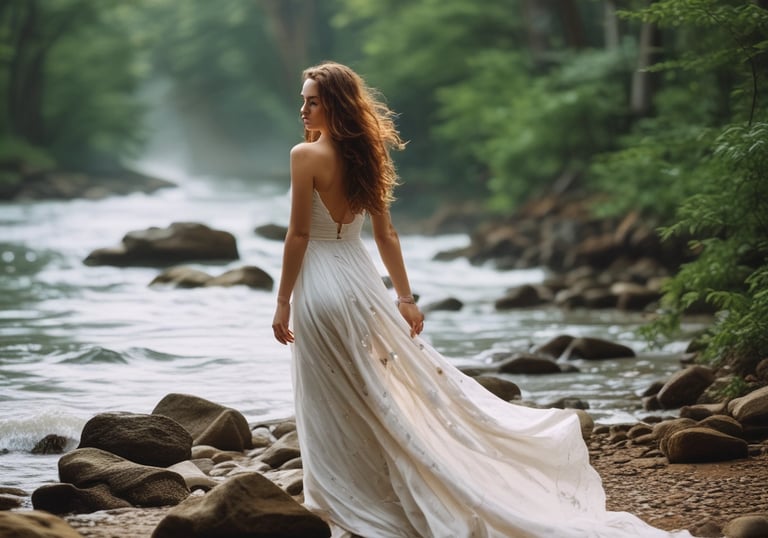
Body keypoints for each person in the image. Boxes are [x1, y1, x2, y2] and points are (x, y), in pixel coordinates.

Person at [272, 61, 693, 538]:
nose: (303, 108)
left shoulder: (305, 156)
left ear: (334, 105)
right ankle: (393, 485)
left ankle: (348, 501)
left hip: (321, 287)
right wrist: (405, 297)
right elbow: (386, 234)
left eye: (312, 100)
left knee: (331, 396)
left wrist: (283, 300)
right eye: (304, 99)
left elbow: (299, 235)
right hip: (361, 283)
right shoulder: (366, 155)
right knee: (374, 392)